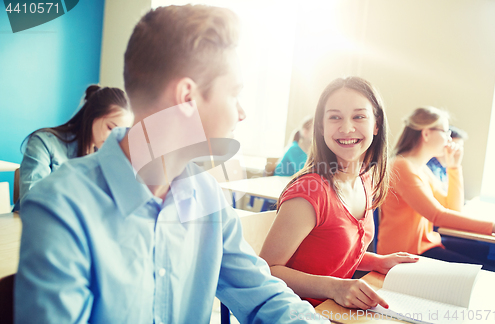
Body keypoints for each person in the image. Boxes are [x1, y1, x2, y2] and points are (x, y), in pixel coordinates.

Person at [15, 5, 328, 324]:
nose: (242, 113)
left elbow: (265, 296)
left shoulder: (207, 197)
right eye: (234, 94)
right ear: (187, 99)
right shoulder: (62, 207)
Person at [259, 77, 418, 310]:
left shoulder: (366, 180)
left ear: (376, 124)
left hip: (334, 310)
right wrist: (334, 287)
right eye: (335, 117)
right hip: (295, 313)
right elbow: (267, 271)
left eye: (359, 116)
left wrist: (378, 262)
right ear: (322, 127)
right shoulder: (309, 192)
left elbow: (330, 253)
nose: (346, 128)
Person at [378, 106, 495, 271]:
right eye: (446, 132)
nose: (449, 139)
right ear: (426, 134)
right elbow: (437, 216)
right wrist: (494, 227)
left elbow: (453, 209)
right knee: (485, 269)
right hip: (405, 255)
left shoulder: (421, 168)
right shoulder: (401, 166)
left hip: (426, 245)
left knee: (492, 255)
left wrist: (454, 167)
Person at [15, 85, 133, 210]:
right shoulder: (43, 143)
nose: (114, 139)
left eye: (120, 134)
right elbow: (33, 203)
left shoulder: (105, 158)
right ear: (92, 115)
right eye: (110, 128)